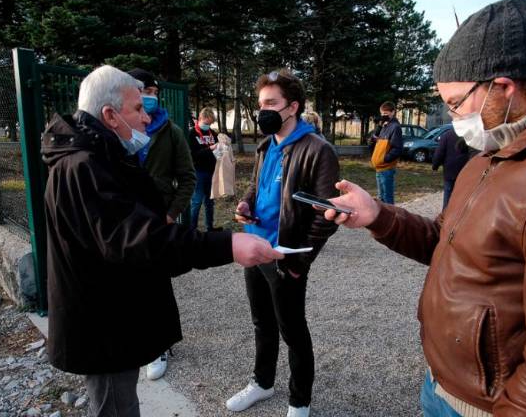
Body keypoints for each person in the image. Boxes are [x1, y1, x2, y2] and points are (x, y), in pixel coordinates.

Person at [322, 0, 526, 416]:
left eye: (456, 103)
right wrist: (378, 215)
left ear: (504, 86)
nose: (454, 117)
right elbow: (447, 242)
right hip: (445, 387)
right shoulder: (495, 150)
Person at [42, 65, 283, 417]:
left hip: (111, 313)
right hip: (103, 322)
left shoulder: (96, 154)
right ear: (109, 115)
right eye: (138, 109)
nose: (145, 119)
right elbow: (137, 240)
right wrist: (226, 245)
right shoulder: (84, 165)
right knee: (115, 406)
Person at [228, 70, 340, 417]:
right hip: (255, 248)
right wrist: (245, 204)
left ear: (292, 107)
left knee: (293, 330)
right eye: (261, 104)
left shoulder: (318, 150)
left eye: (271, 103)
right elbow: (256, 186)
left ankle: (299, 401)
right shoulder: (266, 145)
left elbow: (327, 214)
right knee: (262, 323)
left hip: (285, 256)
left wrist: (298, 260)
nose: (263, 110)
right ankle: (263, 383)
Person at [126, 68, 197, 380]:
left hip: (158, 217)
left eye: (152, 91)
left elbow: (187, 178)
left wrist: (171, 214)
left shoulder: (171, 132)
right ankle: (138, 337)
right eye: (141, 91)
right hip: (126, 218)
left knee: (157, 280)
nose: (148, 97)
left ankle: (161, 345)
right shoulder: (117, 129)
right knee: (131, 280)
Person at [189, 107, 220, 231]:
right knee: (196, 201)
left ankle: (210, 228)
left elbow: (217, 151)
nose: (209, 125)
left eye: (211, 123)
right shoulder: (192, 133)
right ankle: (192, 229)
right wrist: (210, 149)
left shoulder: (213, 133)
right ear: (201, 118)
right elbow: (193, 154)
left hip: (212, 171)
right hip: (198, 171)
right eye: (207, 123)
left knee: (209, 202)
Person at [368, 102, 403, 204]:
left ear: (393, 112)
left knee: (387, 198)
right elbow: (372, 142)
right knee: (381, 197)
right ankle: (384, 218)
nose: (383, 116)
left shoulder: (395, 127)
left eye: (386, 113)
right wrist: (379, 127)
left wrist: (384, 159)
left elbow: (397, 149)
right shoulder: (384, 126)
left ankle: (392, 218)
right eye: (382, 113)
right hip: (379, 167)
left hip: (386, 167)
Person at [431, 126, 473, 209]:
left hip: (450, 169)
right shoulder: (470, 135)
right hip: (465, 169)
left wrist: (435, 166)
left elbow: (439, 153)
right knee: (462, 195)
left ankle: (445, 216)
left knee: (448, 193)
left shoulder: (447, 135)